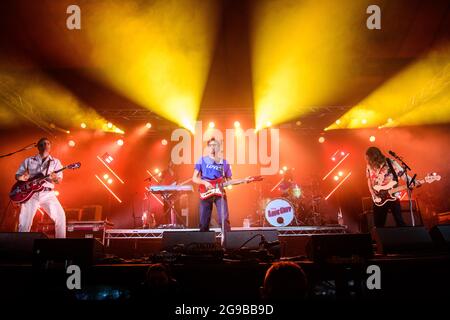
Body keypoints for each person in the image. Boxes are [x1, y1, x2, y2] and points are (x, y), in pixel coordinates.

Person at [15, 137, 66, 238]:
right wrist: (22, 177)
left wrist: (55, 178)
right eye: (42, 144)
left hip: (48, 194)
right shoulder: (29, 160)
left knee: (60, 217)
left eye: (47, 143)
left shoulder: (55, 162)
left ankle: (61, 245)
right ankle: (21, 248)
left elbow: (59, 180)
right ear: (38, 147)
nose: (45, 145)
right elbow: (17, 175)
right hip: (31, 194)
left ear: (50, 146)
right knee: (24, 223)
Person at [192, 137, 231, 232]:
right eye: (211, 145)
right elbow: (194, 178)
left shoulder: (224, 162)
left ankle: (228, 243)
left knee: (224, 220)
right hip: (205, 192)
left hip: (220, 193)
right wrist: (205, 182)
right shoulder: (201, 160)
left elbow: (229, 180)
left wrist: (231, 184)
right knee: (204, 222)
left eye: (215, 145)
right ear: (208, 147)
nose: (213, 148)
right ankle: (203, 245)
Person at [366, 146, 409, 227]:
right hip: (378, 197)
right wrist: (372, 193)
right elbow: (369, 179)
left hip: (393, 195)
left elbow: (402, 174)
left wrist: (412, 182)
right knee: (379, 225)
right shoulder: (369, 166)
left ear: (375, 156)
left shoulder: (390, 162)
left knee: (400, 222)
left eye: (369, 158)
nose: (368, 160)